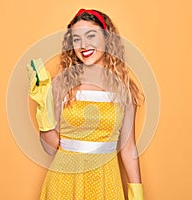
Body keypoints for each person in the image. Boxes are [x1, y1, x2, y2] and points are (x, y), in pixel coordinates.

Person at [27, 8, 145, 200]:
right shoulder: (60, 83)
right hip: (63, 182)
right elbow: (50, 148)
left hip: (105, 182)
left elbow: (128, 148)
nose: (83, 45)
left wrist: (137, 195)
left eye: (91, 35)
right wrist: (43, 104)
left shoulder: (123, 88)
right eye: (76, 39)